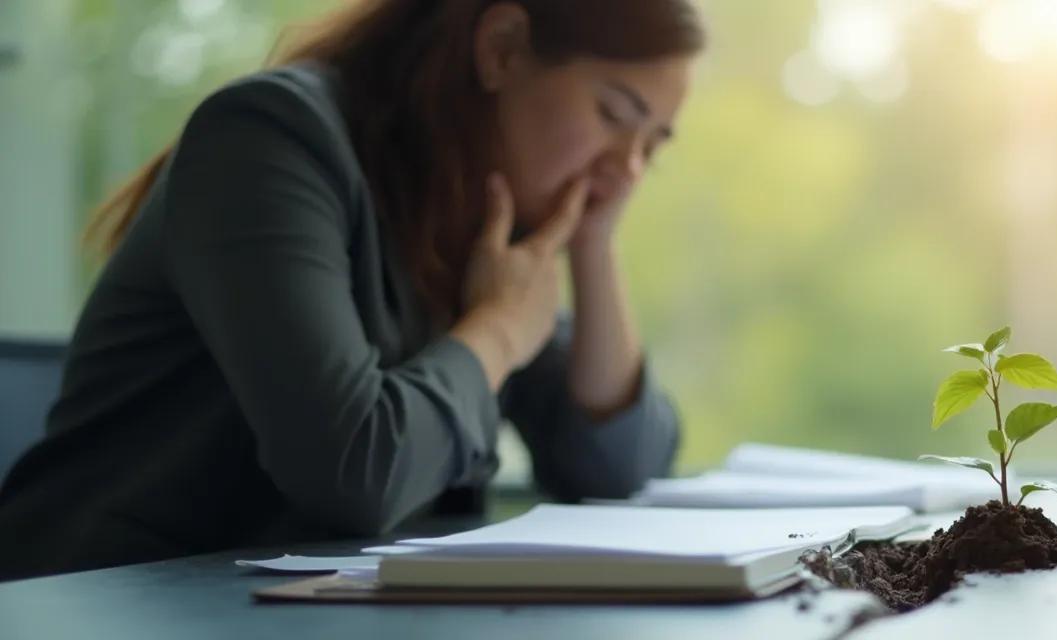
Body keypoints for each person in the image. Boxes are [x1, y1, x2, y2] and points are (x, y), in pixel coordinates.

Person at [0, 0, 702, 581]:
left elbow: (621, 467)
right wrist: (494, 334)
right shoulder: (269, 141)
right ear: (504, 48)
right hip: (105, 602)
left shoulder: (480, 221)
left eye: (653, 148)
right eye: (614, 115)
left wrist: (592, 242)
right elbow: (352, 470)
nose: (628, 170)